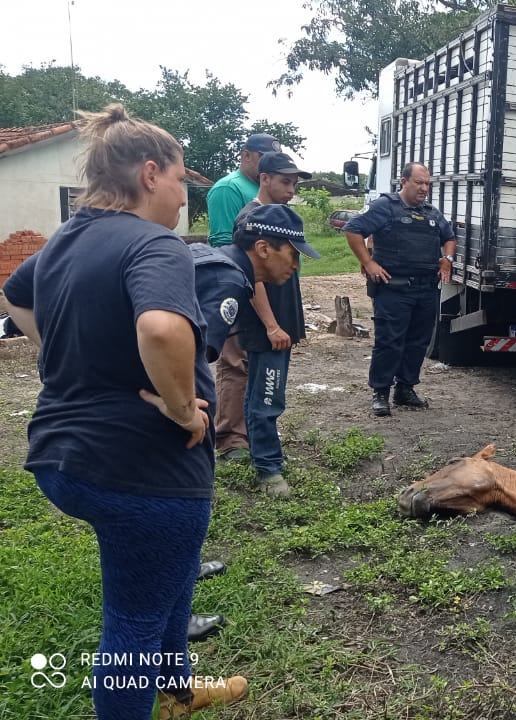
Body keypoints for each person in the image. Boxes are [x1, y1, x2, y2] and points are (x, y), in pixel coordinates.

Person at [0, 104, 247, 719]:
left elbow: (14, 293)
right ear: (150, 173)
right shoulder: (152, 243)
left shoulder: (66, 239)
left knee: (169, 573)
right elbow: (162, 328)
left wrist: (59, 355)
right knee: (132, 625)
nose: (184, 198)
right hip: (140, 466)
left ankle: (178, 691)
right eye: (181, 180)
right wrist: (183, 411)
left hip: (65, 456)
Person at [231, 153, 317, 498]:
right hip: (268, 326)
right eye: (285, 181)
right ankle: (268, 469)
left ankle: (263, 455)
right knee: (267, 395)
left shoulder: (282, 219)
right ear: (264, 178)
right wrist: (270, 325)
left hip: (281, 322)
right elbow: (254, 278)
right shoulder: (253, 221)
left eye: (295, 183)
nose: (292, 189)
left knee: (263, 392)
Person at [343, 161, 456, 417]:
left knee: (418, 343)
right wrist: (368, 262)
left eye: (427, 183)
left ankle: (405, 389)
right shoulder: (386, 207)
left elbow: (449, 237)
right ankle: (380, 392)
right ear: (403, 181)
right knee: (389, 342)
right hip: (393, 289)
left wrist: (446, 260)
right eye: (419, 182)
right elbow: (353, 230)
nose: (424, 188)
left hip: (426, 288)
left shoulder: (431, 213)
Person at [207, 132, 280, 462]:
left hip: (266, 286)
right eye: (263, 157)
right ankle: (231, 438)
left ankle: (254, 431)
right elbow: (227, 246)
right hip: (238, 286)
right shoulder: (228, 189)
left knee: (259, 363)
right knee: (235, 362)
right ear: (247, 155)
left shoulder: (265, 190)